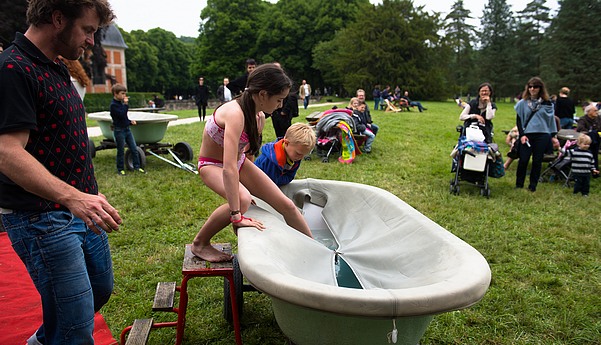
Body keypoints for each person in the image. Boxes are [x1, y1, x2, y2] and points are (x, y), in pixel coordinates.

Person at [0, 1, 122, 344]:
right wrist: (72, 196)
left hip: (78, 209)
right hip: (40, 218)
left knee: (99, 288)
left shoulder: (54, 65)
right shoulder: (13, 68)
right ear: (57, 19)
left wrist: (86, 192)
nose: (91, 42)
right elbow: (6, 152)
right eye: (87, 30)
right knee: (75, 327)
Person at [192, 64, 313, 262]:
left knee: (287, 205)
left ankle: (314, 248)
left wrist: (253, 183)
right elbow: (229, 168)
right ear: (263, 94)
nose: (281, 105)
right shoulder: (235, 114)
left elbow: (246, 156)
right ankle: (200, 243)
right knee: (243, 199)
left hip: (237, 162)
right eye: (279, 100)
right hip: (212, 164)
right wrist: (236, 215)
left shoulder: (259, 117)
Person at [514, 77, 557, 192]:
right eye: (530, 86)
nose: (532, 89)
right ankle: (519, 184)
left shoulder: (547, 103)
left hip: (542, 135)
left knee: (537, 161)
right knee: (523, 160)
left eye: (535, 87)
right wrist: (522, 135)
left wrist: (553, 136)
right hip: (527, 134)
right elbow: (519, 120)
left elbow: (550, 121)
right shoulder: (522, 103)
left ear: (540, 88)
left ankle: (533, 185)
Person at [110, 84, 145, 175]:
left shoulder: (120, 104)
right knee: (121, 150)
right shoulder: (113, 106)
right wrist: (126, 104)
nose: (124, 96)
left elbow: (123, 118)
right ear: (115, 94)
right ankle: (120, 169)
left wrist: (129, 122)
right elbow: (121, 115)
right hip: (119, 131)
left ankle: (137, 167)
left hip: (127, 129)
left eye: (125, 93)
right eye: (122, 93)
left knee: (134, 148)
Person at [576, 103, 601, 172]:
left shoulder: (599, 118)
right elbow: (580, 129)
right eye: (595, 111)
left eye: (597, 110)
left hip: (598, 139)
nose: (597, 112)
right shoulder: (583, 119)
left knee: (594, 134)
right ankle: (595, 169)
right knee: (593, 134)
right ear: (588, 112)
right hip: (587, 140)